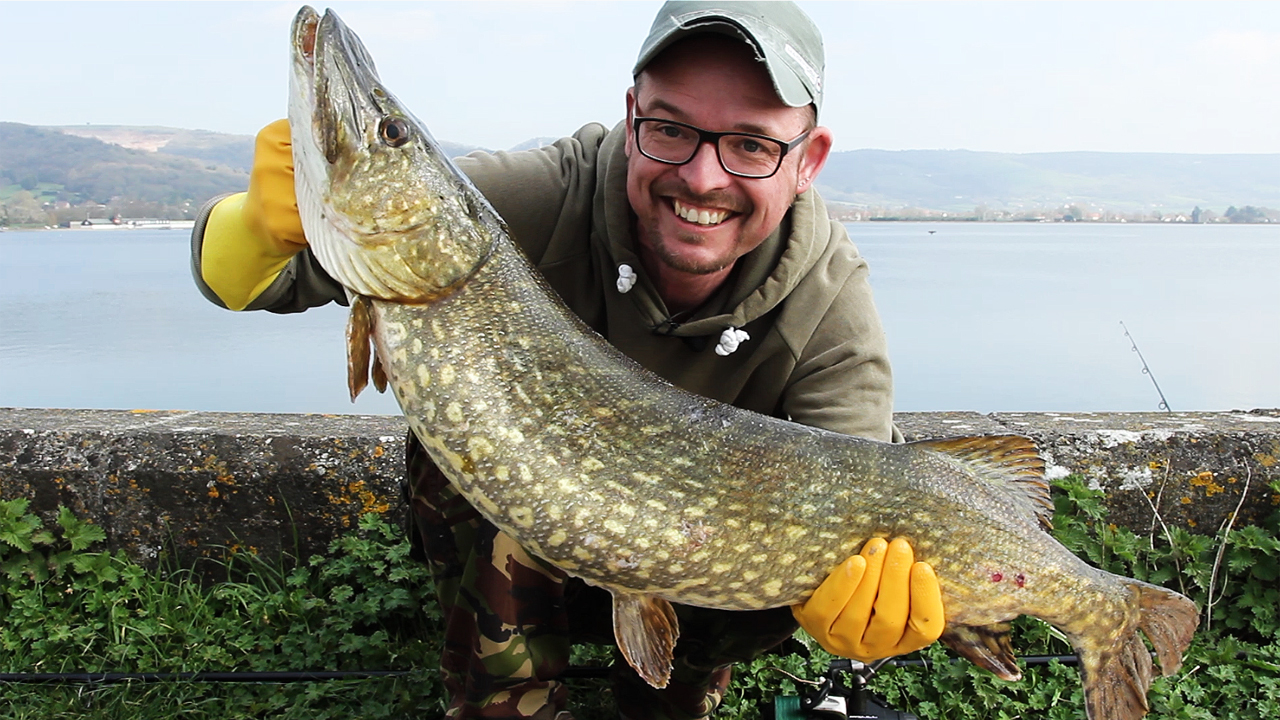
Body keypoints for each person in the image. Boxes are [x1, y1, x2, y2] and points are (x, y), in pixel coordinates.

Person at [191, 2, 945, 718]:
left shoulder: (830, 304)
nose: (703, 177)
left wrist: (864, 602)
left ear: (808, 160)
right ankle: (503, 697)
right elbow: (272, 277)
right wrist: (258, 227)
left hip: (707, 560)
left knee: (800, 540)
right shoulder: (531, 198)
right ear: (630, 116)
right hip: (529, 529)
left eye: (751, 143)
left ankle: (670, 688)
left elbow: (866, 486)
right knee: (484, 456)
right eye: (670, 129)